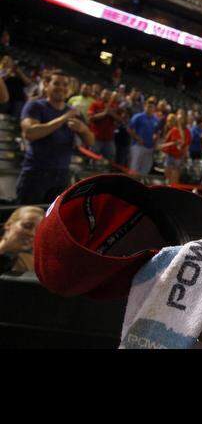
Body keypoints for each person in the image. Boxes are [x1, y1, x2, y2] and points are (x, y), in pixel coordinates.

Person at [16, 71, 95, 204]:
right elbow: (30, 133)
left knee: (53, 222)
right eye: (56, 83)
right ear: (46, 85)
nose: (61, 87)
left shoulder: (74, 112)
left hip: (62, 175)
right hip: (35, 174)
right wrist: (64, 118)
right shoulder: (35, 106)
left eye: (65, 85)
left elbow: (90, 141)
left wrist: (83, 129)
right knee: (29, 218)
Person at [0, 206, 44, 275]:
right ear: (8, 224)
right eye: (27, 226)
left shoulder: (34, 265)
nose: (32, 234)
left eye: (38, 231)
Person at [127, 97, 159, 176]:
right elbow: (129, 129)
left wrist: (155, 142)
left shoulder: (156, 120)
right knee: (134, 169)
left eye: (152, 107)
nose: (150, 108)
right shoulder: (138, 116)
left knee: (145, 170)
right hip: (138, 146)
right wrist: (137, 138)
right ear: (145, 106)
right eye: (148, 106)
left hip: (150, 147)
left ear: (154, 108)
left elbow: (157, 133)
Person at [158, 109, 190, 185]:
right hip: (169, 156)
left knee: (174, 180)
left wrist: (185, 156)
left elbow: (184, 144)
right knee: (167, 177)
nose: (180, 117)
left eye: (182, 116)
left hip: (178, 157)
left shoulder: (187, 131)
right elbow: (166, 141)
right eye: (179, 115)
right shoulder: (173, 129)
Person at [87, 89, 118, 162]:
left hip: (109, 139)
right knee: (93, 158)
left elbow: (121, 120)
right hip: (96, 138)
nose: (106, 96)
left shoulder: (115, 106)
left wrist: (112, 114)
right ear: (101, 94)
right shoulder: (95, 104)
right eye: (104, 94)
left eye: (108, 94)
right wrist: (104, 114)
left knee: (110, 160)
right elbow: (90, 118)